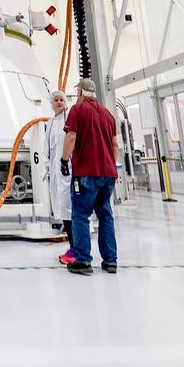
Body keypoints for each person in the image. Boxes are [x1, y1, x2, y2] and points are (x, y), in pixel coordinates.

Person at [60, 78, 119, 275]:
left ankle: (83, 260)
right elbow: (115, 144)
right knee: (106, 215)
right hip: (108, 174)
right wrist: (111, 165)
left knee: (80, 215)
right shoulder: (108, 114)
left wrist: (63, 160)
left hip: (85, 172)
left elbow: (71, 137)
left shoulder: (77, 110)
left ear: (80, 93)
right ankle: (111, 261)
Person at [46, 90, 75, 265]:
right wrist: (46, 168)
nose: (58, 102)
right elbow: (47, 148)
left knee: (70, 209)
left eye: (61, 99)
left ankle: (76, 247)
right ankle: (73, 247)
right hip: (57, 173)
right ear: (51, 103)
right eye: (55, 100)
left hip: (69, 171)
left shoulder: (69, 118)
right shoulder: (50, 123)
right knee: (63, 208)